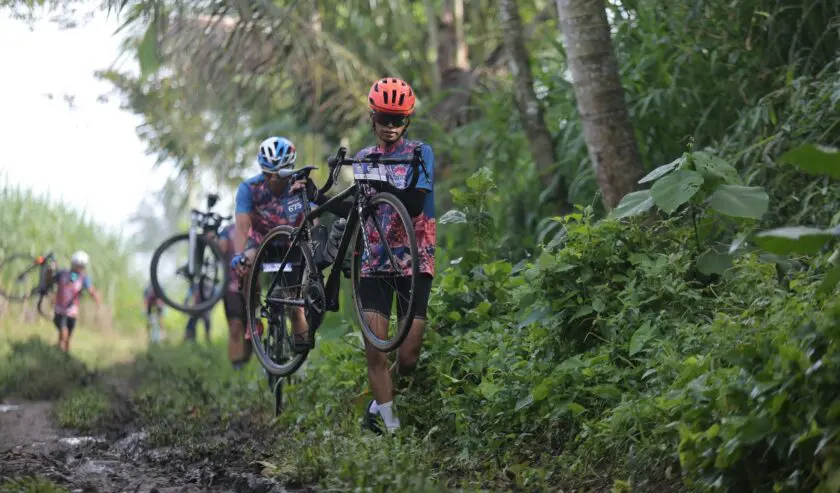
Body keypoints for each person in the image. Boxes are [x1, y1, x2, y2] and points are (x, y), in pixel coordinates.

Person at [353, 77, 436, 434]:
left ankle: (377, 405)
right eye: (384, 118)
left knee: (408, 356)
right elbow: (357, 210)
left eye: (398, 120)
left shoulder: (420, 153)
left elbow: (415, 204)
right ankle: (391, 429)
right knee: (376, 351)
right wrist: (314, 195)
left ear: (407, 121)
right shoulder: (362, 159)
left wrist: (383, 184)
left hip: (414, 260)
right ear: (372, 118)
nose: (390, 126)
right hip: (373, 263)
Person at [230, 136, 320, 352]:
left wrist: (314, 249)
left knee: (295, 306)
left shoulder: (301, 185)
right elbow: (242, 225)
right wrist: (238, 254)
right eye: (267, 173)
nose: (273, 179)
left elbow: (314, 220)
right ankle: (253, 315)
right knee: (245, 263)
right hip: (261, 243)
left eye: (278, 174)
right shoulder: (249, 188)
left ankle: (300, 356)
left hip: (293, 245)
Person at [53, 251, 102, 353]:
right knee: (63, 332)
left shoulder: (84, 278)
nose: (79, 268)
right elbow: (49, 280)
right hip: (60, 310)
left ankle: (63, 354)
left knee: (67, 337)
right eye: (78, 265)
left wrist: (97, 300)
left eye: (81, 266)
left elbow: (91, 290)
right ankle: (60, 351)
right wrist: (50, 270)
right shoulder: (62, 274)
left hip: (72, 312)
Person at [217, 223, 252, 369]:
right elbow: (220, 251)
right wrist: (213, 240)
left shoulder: (259, 226)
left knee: (250, 328)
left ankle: (247, 361)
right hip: (231, 286)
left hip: (251, 287)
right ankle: (236, 364)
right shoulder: (228, 230)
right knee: (235, 326)